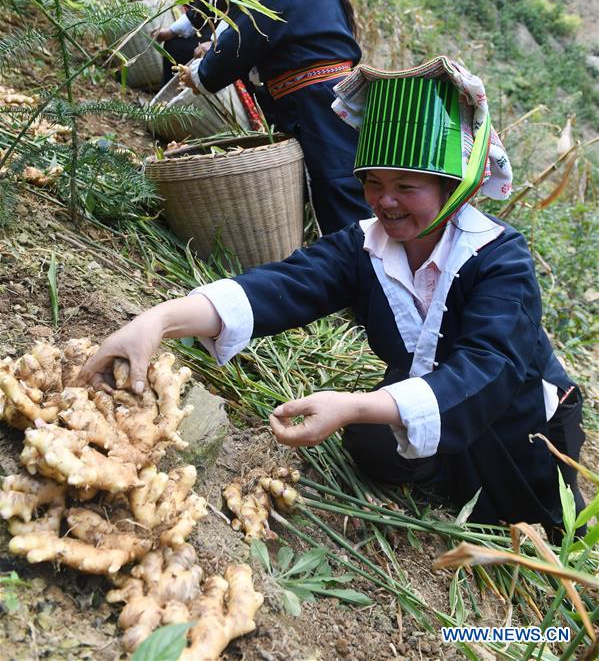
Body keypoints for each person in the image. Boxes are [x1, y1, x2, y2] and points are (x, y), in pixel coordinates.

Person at [79, 57, 585, 530]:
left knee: (524, 516)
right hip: (429, 391)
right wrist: (158, 321)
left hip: (515, 421)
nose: (385, 201)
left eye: (407, 187)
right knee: (372, 443)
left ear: (454, 187)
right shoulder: (364, 247)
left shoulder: (500, 259)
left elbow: (488, 366)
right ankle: (437, 465)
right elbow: (284, 285)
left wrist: (358, 405)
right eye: (373, 182)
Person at [183, 0, 372, 234]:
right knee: (340, 188)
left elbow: (238, 43)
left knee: (336, 194)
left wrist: (200, 74)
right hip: (333, 100)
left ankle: (357, 261)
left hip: (315, 106)